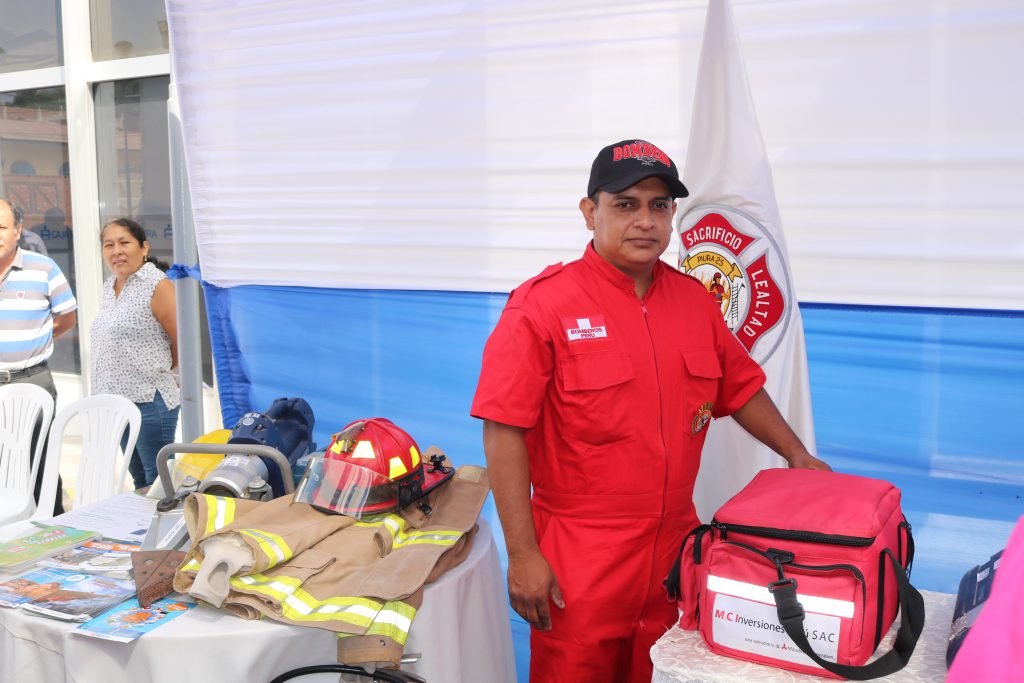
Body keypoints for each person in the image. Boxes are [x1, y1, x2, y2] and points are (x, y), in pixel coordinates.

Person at [470, 139, 830, 683]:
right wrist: (522, 556)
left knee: (665, 673)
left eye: (659, 206)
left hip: (674, 554)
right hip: (579, 557)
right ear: (589, 212)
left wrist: (797, 454)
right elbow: (504, 431)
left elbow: (741, 388)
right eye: (626, 204)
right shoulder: (540, 306)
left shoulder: (694, 301)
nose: (645, 221)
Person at [0, 198, 78, 516]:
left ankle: (52, 528)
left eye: (1, 226)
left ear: (18, 230)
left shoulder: (43, 267)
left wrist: (37, 339)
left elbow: (66, 318)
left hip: (31, 380)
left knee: (39, 462)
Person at [91, 218, 179, 489]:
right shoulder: (110, 286)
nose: (116, 251)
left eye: (124, 242)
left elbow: (182, 339)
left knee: (159, 485)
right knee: (140, 481)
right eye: (109, 245)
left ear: (144, 247)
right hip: (118, 404)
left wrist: (159, 369)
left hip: (149, 402)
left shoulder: (157, 284)